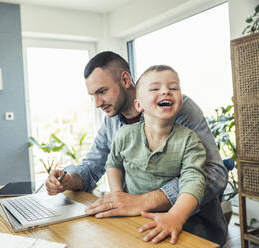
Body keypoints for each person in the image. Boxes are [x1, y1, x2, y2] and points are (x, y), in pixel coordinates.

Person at [45, 51, 228, 245]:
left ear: (125, 79)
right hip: (136, 226)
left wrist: (145, 201)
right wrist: (68, 179)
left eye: (102, 91)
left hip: (193, 229)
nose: (98, 103)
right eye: (94, 96)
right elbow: (94, 165)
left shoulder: (178, 109)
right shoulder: (113, 124)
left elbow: (215, 173)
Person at [106, 65, 206, 244]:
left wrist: (176, 216)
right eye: (155, 88)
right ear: (139, 105)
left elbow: (193, 181)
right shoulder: (124, 135)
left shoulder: (190, 141)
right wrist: (117, 194)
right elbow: (113, 164)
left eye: (173, 88)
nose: (166, 91)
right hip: (131, 220)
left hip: (173, 223)